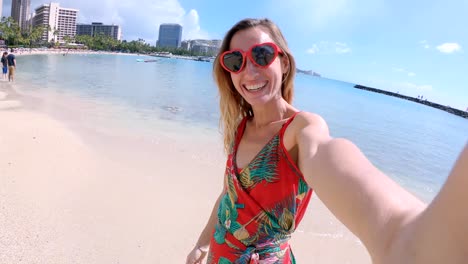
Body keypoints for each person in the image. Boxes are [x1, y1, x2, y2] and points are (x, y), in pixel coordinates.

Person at [186, 18, 468, 264]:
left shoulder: (301, 129)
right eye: (236, 61)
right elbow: (229, 196)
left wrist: (400, 237)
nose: (248, 70)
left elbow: (326, 153)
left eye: (262, 54)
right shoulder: (240, 128)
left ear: (284, 63)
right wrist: (202, 242)